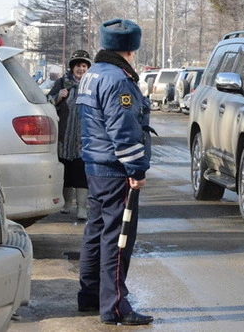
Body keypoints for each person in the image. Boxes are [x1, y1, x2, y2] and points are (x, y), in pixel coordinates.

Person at [76, 18, 154, 326]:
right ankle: (116, 306)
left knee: (95, 233)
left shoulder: (92, 74)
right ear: (131, 49)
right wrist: (136, 168)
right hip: (115, 168)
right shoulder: (118, 80)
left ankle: (91, 296)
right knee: (118, 240)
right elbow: (123, 129)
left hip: (95, 165)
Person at [47, 49, 92, 219]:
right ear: (71, 68)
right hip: (64, 136)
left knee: (81, 172)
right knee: (66, 172)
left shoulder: (92, 85)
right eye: (77, 66)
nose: (81, 69)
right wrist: (58, 97)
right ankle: (67, 203)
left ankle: (82, 207)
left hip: (84, 137)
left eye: (84, 66)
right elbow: (48, 104)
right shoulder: (62, 83)